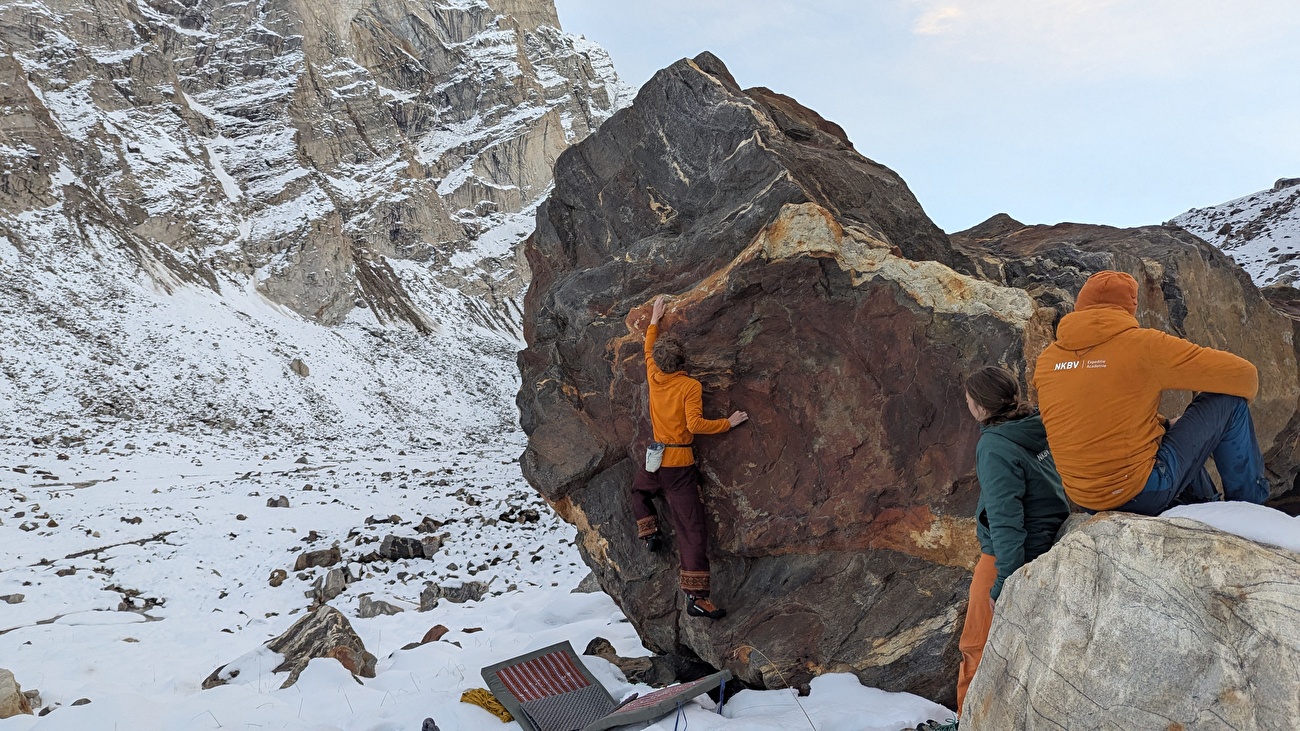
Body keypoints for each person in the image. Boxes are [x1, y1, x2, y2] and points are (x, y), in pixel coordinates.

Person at [1033, 270, 1270, 515]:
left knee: (1170, 430)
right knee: (1227, 401)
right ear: (1129, 308)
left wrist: (1166, 424)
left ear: (1079, 305)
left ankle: (1203, 508)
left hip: (1086, 499)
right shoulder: (1144, 345)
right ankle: (1250, 509)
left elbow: (1093, 414)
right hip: (1140, 492)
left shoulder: (1047, 359)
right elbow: (1243, 375)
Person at [952, 366, 1070, 719]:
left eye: (969, 399)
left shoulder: (994, 446)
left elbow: (1006, 519)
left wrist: (1003, 581)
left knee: (976, 646)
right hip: (1049, 539)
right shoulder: (1034, 424)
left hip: (1009, 556)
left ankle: (965, 721)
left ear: (980, 406)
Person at [632, 294, 747, 620]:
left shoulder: (654, 375)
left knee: (639, 491)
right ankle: (697, 597)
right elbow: (695, 425)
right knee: (691, 529)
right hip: (678, 466)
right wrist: (729, 422)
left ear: (660, 360)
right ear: (683, 363)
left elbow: (648, 347)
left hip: (654, 458)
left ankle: (648, 531)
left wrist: (654, 318)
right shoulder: (689, 387)